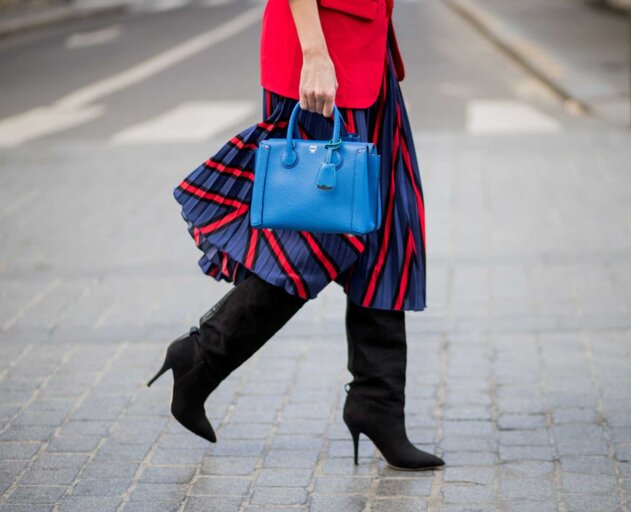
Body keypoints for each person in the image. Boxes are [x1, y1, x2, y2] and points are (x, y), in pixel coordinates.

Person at [147, 0, 444, 471]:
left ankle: (378, 403)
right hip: (323, 58)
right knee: (310, 241)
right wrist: (315, 53)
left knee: (389, 232)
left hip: (369, 55)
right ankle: (202, 358)